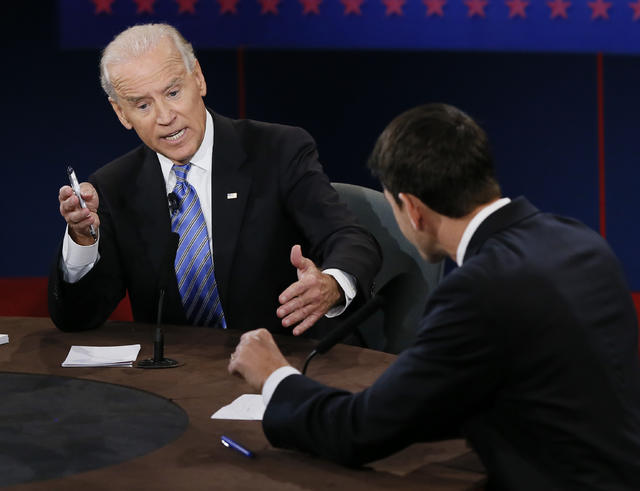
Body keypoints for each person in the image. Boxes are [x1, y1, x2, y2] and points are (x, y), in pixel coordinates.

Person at [228, 103, 640, 489]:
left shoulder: (477, 290)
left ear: (412, 208)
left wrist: (274, 377)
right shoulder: (578, 239)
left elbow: (358, 431)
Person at [48, 24, 380, 336]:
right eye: (143, 105)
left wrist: (332, 284)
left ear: (199, 79)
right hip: (177, 381)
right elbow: (77, 319)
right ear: (122, 113)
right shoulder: (114, 187)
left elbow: (349, 237)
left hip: (284, 361)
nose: (165, 117)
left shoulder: (277, 151)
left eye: (174, 92)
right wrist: (82, 239)